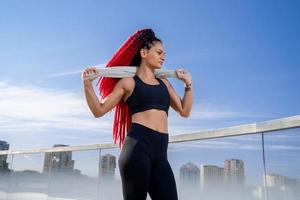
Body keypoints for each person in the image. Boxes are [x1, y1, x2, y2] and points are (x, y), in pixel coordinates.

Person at [82, 29, 192, 200]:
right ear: (143, 53)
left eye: (164, 54)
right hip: (136, 150)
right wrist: (88, 85)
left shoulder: (165, 83)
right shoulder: (128, 83)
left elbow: (184, 111)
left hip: (161, 154)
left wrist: (188, 85)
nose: (163, 57)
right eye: (159, 52)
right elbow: (99, 110)